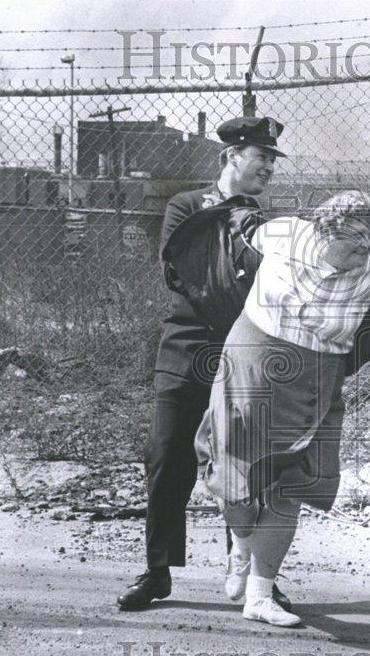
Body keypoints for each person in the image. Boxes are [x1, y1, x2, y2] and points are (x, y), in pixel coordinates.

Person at [195, 191, 370, 627]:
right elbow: (238, 243)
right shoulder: (286, 233)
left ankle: (259, 596)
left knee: (294, 484)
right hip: (253, 367)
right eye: (353, 242)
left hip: (317, 379)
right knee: (236, 475)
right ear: (323, 232)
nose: (362, 251)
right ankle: (241, 543)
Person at [117, 116, 293, 612]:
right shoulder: (186, 205)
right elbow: (182, 272)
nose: (269, 170)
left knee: (244, 462)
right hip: (188, 347)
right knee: (167, 454)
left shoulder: (261, 217)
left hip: (243, 352)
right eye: (261, 158)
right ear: (231, 157)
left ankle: (253, 573)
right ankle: (157, 571)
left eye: (272, 161)